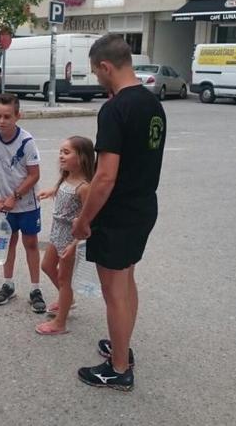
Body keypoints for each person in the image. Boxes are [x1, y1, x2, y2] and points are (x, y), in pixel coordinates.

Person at [71, 34, 166, 391]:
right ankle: (123, 344)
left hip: (118, 212)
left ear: (106, 66)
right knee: (126, 280)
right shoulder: (152, 104)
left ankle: (119, 367)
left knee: (113, 290)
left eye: (96, 71)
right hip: (144, 206)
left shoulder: (115, 109)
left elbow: (105, 176)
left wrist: (84, 220)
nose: (96, 77)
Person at [0, 93, 45, 313]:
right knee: (8, 243)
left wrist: (15, 195)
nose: (2, 121)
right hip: (4, 206)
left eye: (7, 116)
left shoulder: (26, 141)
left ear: (17, 116)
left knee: (31, 244)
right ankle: (8, 285)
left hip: (27, 205)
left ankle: (35, 289)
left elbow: (34, 174)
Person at [35, 136, 95, 336]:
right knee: (47, 266)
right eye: (61, 151)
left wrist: (76, 244)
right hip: (57, 232)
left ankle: (60, 322)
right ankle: (67, 300)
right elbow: (64, 190)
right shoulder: (67, 177)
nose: (61, 156)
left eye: (67, 152)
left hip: (71, 238)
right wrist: (52, 191)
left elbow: (89, 220)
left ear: (83, 158)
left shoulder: (85, 187)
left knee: (64, 280)